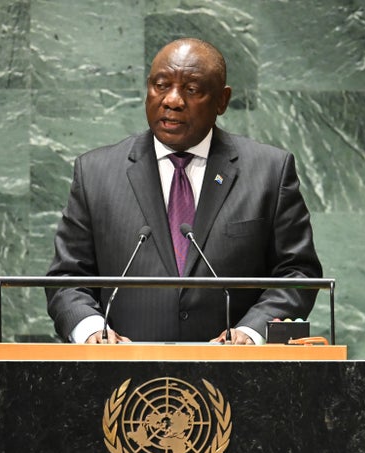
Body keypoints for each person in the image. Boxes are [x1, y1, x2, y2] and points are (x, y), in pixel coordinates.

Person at [46, 37, 322, 344]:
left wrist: (251, 332)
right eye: (160, 85)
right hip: (121, 377)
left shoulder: (269, 170)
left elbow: (297, 274)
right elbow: (67, 278)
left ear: (222, 100)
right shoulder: (96, 172)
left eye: (191, 89)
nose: (172, 100)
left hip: (239, 376)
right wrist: (90, 330)